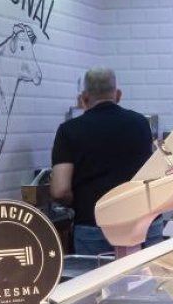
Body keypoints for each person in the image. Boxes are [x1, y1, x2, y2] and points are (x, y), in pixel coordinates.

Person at [51, 68, 161, 256]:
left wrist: (76, 200)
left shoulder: (69, 130)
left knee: (98, 285)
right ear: (118, 95)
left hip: (94, 226)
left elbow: (60, 190)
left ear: (84, 98)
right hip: (143, 223)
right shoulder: (141, 124)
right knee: (147, 283)